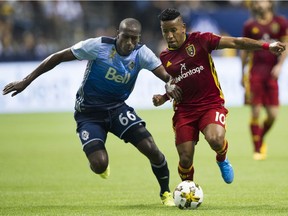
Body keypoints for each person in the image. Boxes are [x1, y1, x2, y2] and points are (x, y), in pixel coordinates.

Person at [2, 18, 182, 206]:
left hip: (117, 108)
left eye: (134, 39)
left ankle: (166, 193)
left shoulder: (141, 53)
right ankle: (100, 165)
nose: (130, 43)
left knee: (151, 147)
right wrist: (26, 80)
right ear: (117, 34)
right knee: (99, 164)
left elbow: (167, 76)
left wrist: (169, 86)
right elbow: (57, 57)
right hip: (89, 114)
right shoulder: (98, 46)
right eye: (126, 37)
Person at [152, 8, 285, 184]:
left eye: (173, 30)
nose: (169, 36)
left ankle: (222, 158)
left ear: (183, 27)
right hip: (184, 111)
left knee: (215, 139)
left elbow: (237, 43)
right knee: (185, 158)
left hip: (210, 104)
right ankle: (188, 190)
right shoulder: (164, 57)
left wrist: (267, 46)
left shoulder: (201, 40)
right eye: (165, 31)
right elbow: (176, 85)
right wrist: (164, 97)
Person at [241, 0, 288, 160]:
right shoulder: (250, 26)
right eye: (257, 2)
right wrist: (242, 73)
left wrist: (280, 65)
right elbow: (244, 50)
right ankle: (257, 148)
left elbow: (285, 45)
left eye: (262, 1)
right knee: (255, 111)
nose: (259, 4)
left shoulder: (280, 23)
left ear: (269, 3)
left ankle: (260, 137)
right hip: (255, 74)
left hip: (271, 75)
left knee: (273, 115)